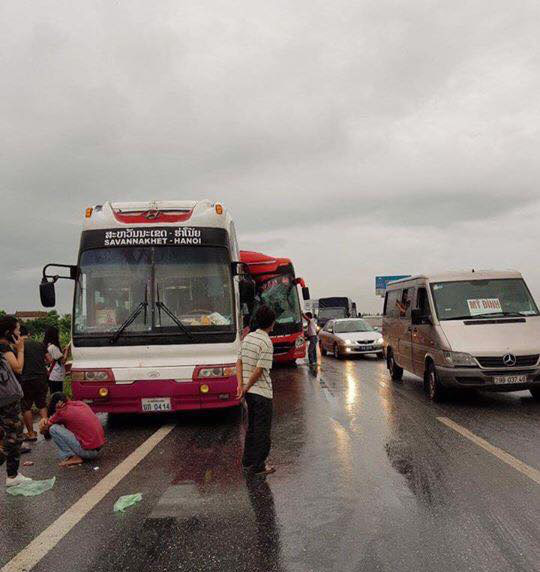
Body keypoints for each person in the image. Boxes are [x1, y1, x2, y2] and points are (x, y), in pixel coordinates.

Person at [237, 305, 276, 476]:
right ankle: (259, 465)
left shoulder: (248, 338)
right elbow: (260, 370)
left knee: (252, 427)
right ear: (271, 323)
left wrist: (241, 386)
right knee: (262, 431)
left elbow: (238, 362)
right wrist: (246, 386)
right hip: (261, 393)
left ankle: (248, 461)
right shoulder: (266, 342)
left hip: (250, 394)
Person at [0, 315, 32, 487]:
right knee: (14, 436)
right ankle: (12, 476)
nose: (19, 333)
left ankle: (13, 474)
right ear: (9, 332)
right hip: (6, 399)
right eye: (17, 330)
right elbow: (18, 367)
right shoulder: (4, 347)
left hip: (6, 398)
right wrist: (20, 349)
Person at [40, 392, 106, 467]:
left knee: (53, 429)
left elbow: (44, 430)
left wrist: (43, 420)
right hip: (98, 448)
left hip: (88, 453)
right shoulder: (80, 404)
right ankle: (76, 454)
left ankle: (72, 456)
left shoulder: (62, 412)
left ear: (58, 403)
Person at [19, 325, 48, 442]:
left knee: (26, 406)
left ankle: (31, 433)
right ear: (29, 334)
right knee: (42, 404)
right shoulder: (39, 344)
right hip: (41, 378)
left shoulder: (18, 347)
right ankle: (46, 429)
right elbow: (49, 359)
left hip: (25, 379)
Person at [43, 326, 66, 394]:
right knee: (57, 395)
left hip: (51, 374)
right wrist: (67, 350)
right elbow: (63, 360)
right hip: (56, 375)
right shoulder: (53, 347)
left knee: (53, 393)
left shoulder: (47, 345)